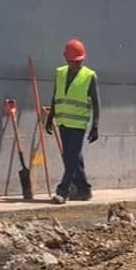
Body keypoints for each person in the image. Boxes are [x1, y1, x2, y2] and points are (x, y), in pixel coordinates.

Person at [45, 38, 101, 204]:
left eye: (79, 61)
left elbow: (97, 103)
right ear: (66, 59)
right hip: (63, 122)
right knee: (72, 157)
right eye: (72, 62)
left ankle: (63, 190)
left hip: (78, 124)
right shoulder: (60, 73)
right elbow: (56, 96)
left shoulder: (89, 76)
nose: (76, 65)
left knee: (71, 158)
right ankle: (84, 190)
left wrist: (95, 125)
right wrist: (50, 117)